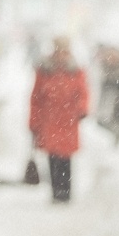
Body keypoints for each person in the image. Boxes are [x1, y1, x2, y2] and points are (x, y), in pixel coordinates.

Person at [28, 36, 89, 202]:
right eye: (58, 50)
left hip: (68, 121)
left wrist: (82, 109)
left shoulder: (75, 70)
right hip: (50, 121)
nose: (61, 55)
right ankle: (56, 192)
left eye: (64, 51)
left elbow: (83, 93)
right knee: (53, 158)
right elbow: (36, 98)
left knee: (65, 159)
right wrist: (33, 122)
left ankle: (66, 192)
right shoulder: (45, 70)